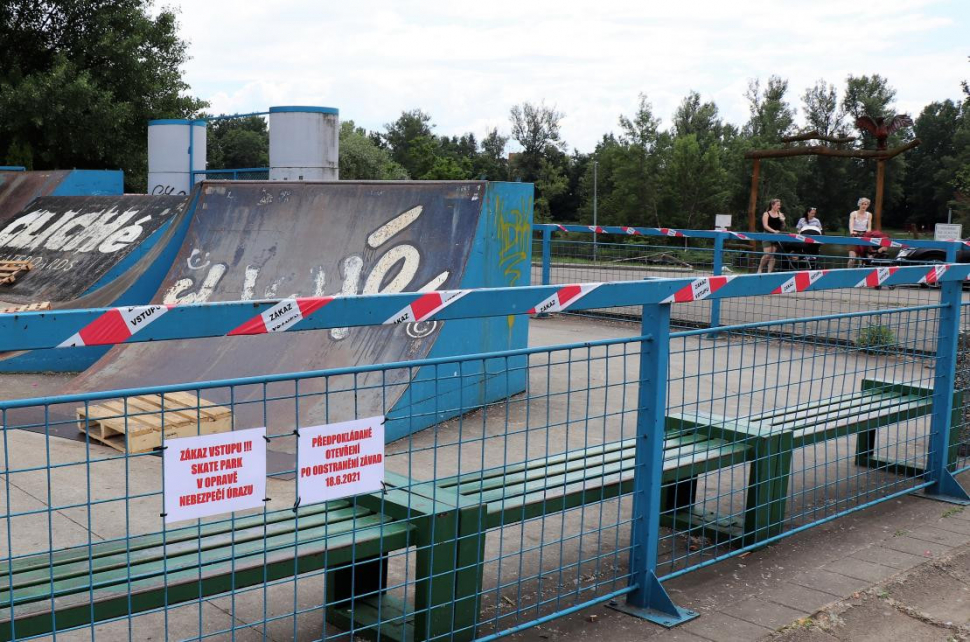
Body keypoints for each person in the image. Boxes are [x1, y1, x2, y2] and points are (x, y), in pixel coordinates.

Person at [757, 199, 786, 274]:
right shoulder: (766, 214)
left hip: (777, 236)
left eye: (779, 205)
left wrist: (783, 221)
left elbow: (783, 227)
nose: (779, 207)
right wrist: (774, 231)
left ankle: (769, 272)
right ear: (772, 205)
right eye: (777, 205)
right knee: (767, 255)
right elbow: (765, 226)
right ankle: (760, 268)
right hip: (767, 235)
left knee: (772, 255)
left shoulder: (780, 214)